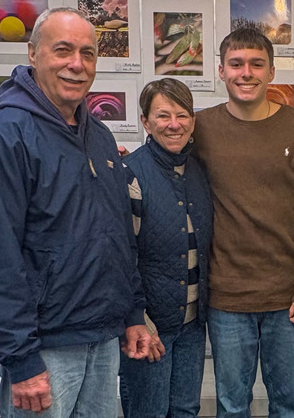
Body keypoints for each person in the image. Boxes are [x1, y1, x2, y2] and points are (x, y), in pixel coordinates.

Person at [0, 7, 150, 417]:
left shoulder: (101, 137)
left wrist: (133, 314)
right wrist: (20, 360)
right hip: (45, 350)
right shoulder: (3, 137)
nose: (77, 64)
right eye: (63, 51)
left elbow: (119, 235)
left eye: (88, 53)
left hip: (105, 339)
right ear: (33, 53)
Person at [192, 27, 294, 417]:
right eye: (236, 64)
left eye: (257, 64)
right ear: (221, 71)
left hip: (288, 298)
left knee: (288, 404)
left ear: (272, 72)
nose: (246, 73)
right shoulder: (200, 128)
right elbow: (161, 161)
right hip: (226, 297)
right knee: (231, 404)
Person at [119, 79, 213, 417]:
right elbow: (121, 258)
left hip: (191, 324)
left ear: (193, 120)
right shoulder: (131, 173)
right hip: (149, 327)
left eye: (182, 115)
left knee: (186, 410)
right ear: (145, 121)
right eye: (162, 116)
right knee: (149, 411)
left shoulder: (200, 171)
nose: (174, 124)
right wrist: (139, 321)